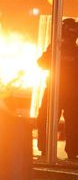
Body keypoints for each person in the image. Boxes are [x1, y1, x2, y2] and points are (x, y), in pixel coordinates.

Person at [36, 17, 78, 158]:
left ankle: (47, 150)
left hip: (60, 91)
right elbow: (42, 63)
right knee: (70, 122)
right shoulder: (56, 48)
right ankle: (71, 153)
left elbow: (41, 63)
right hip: (65, 92)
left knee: (47, 119)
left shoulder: (58, 49)